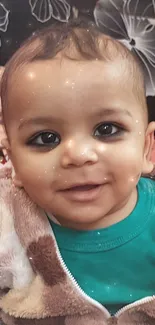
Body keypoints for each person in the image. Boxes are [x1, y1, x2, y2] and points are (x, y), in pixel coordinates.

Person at [0, 19, 155, 325]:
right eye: (46, 138)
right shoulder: (10, 223)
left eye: (106, 129)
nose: (78, 156)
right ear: (13, 163)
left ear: (147, 150)